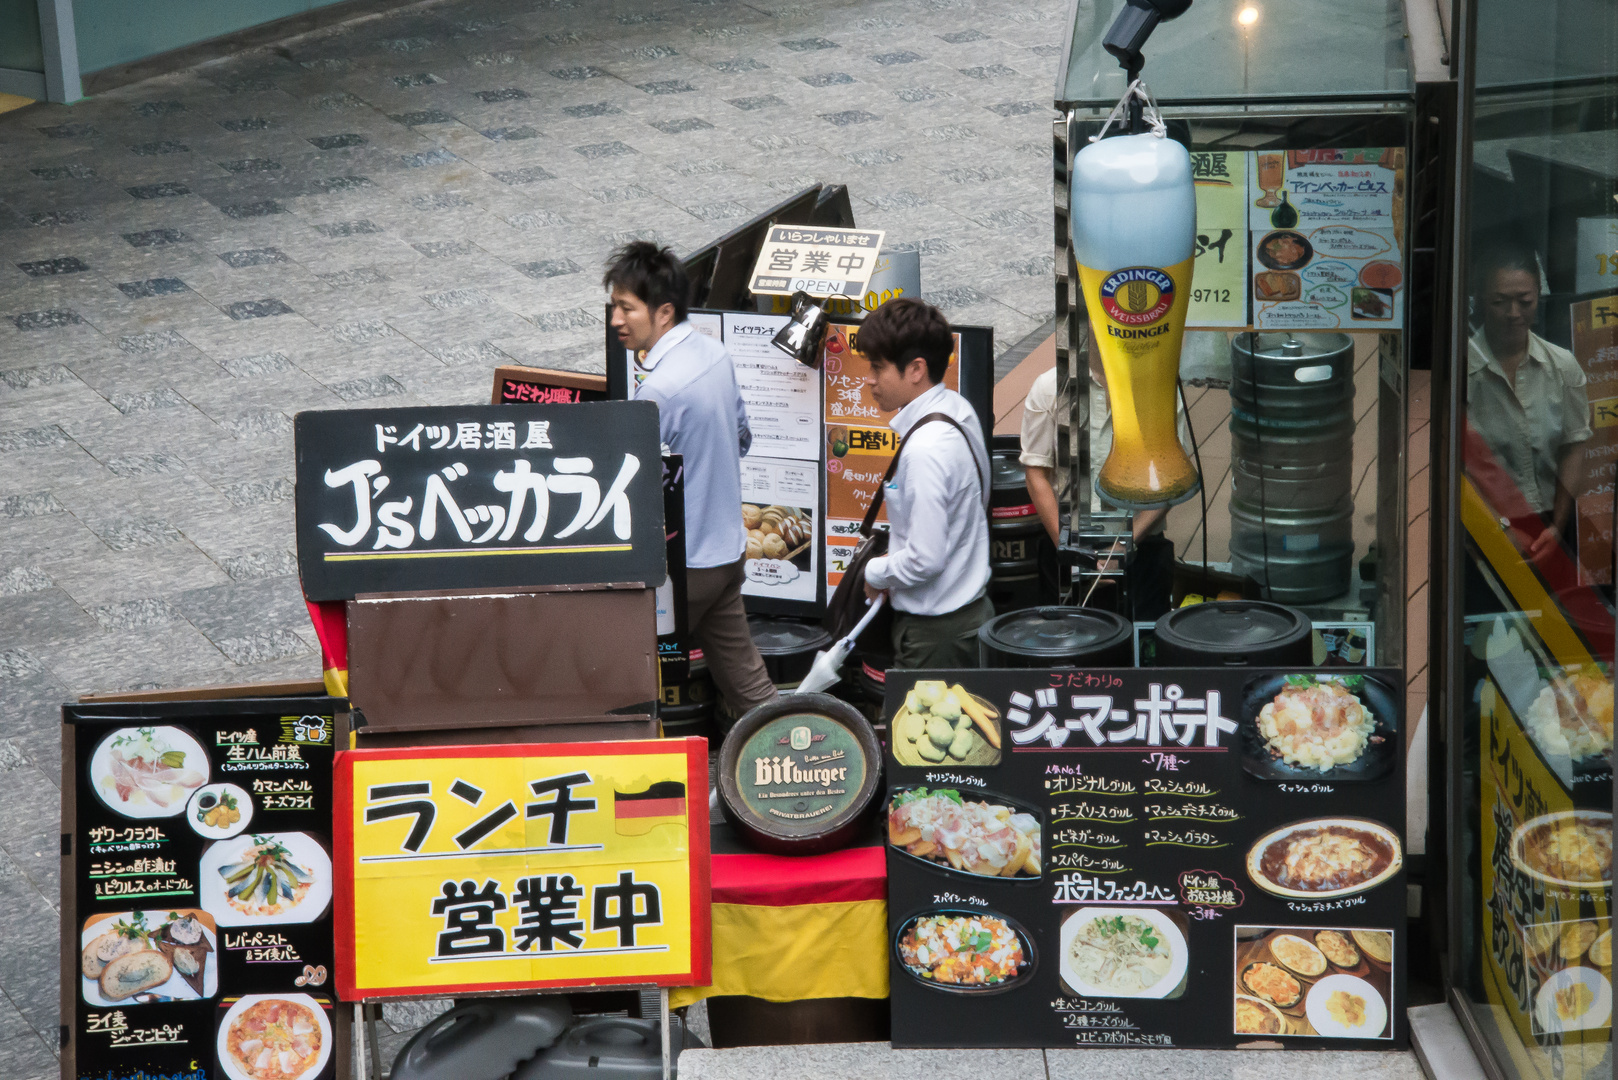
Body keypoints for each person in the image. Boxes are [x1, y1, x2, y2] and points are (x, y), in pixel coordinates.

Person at [604, 242, 777, 716]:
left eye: (627, 308)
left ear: (663, 312)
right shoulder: (714, 353)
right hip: (727, 551)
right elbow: (742, 437)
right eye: (614, 305)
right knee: (748, 682)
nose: (616, 319)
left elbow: (635, 485)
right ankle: (791, 753)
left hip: (686, 569)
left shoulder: (660, 388)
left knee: (630, 680)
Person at [1018, 328, 1193, 618]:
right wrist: (1068, 548)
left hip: (1141, 543)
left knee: (1140, 649)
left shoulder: (1157, 389)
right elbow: (1036, 472)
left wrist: (1123, 547)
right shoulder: (1050, 386)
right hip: (1065, 541)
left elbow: (1170, 481)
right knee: (1067, 648)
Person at [858, 298, 993, 668]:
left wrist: (874, 572)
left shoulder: (926, 450)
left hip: (937, 635)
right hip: (967, 614)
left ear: (916, 369)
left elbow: (926, 559)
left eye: (878, 368)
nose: (869, 379)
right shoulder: (958, 409)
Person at [1465, 241, 1592, 564]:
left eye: (1525, 301)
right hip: (1478, 527)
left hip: (1554, 525)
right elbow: (1453, 465)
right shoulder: (1460, 371)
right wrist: (1500, 527)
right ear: (1480, 299)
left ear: (1538, 296)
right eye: (1499, 302)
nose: (1513, 314)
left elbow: (1574, 446)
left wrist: (1558, 526)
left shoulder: (1562, 366)